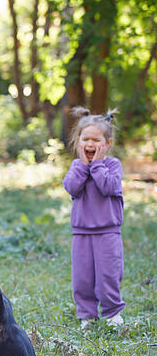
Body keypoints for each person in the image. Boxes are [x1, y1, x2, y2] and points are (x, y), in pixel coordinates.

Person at [62, 106, 125, 329]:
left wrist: (97, 165)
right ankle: (87, 315)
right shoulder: (76, 166)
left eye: (96, 140)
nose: (90, 144)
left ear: (107, 143)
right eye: (85, 139)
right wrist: (83, 166)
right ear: (78, 141)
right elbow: (72, 187)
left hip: (108, 232)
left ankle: (112, 313)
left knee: (108, 275)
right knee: (83, 278)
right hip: (81, 233)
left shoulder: (113, 165)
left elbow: (108, 186)